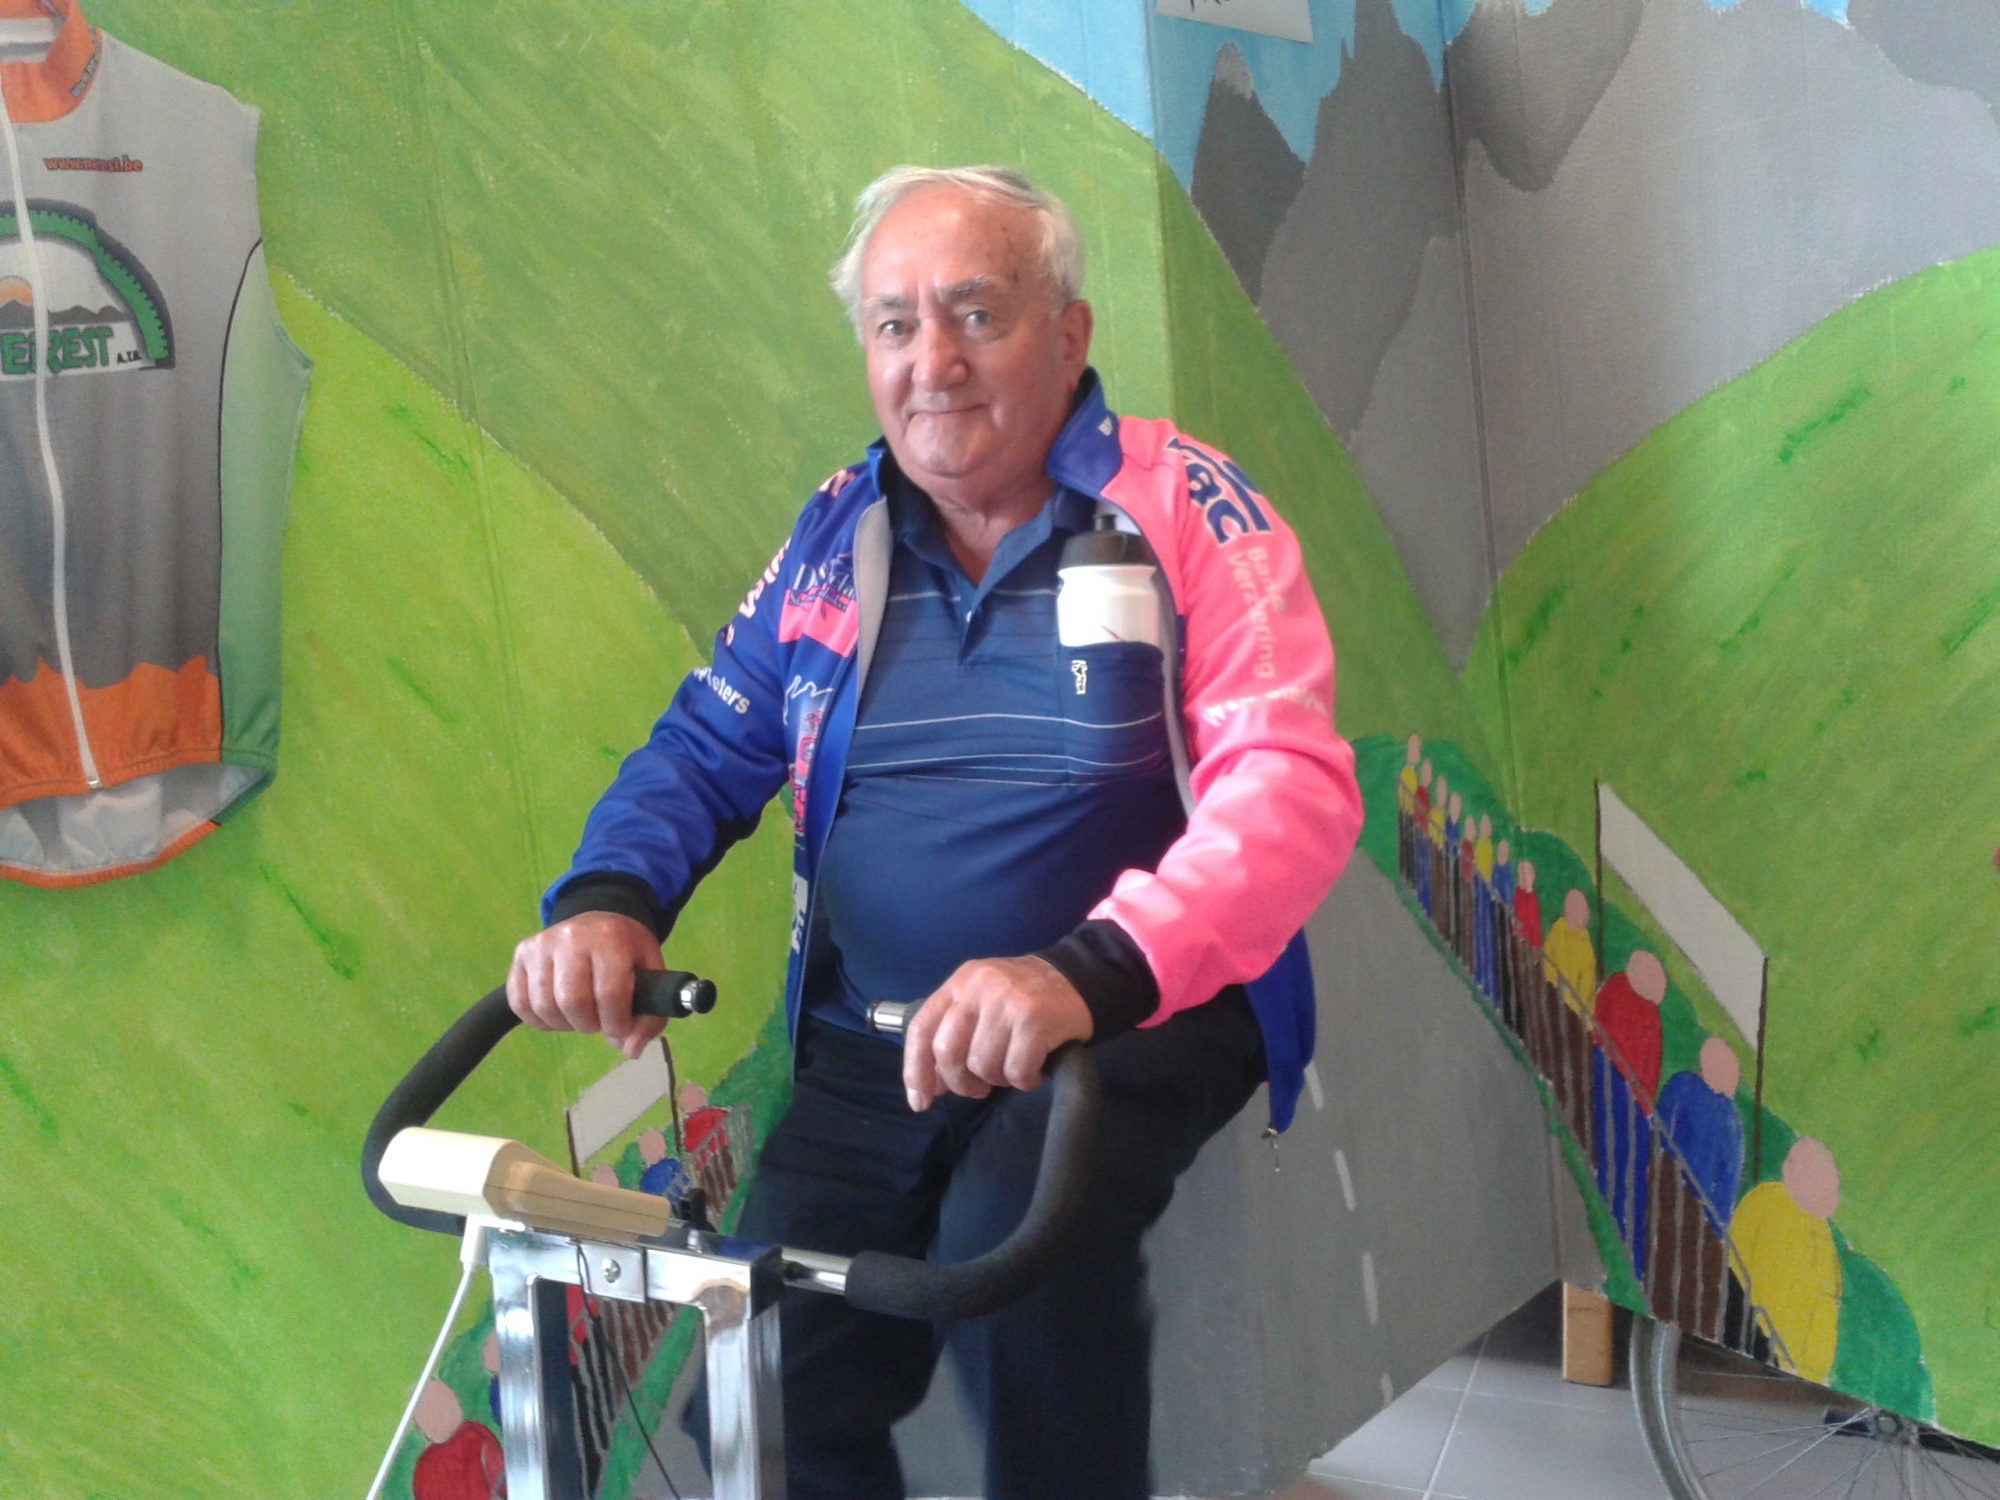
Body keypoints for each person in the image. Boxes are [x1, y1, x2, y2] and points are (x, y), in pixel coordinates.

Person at [504, 165, 1362, 1499]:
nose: (933, 363)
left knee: (1014, 1260)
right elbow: (707, 742)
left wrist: (1080, 972)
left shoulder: (1183, 507)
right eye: (895, 325)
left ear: (1068, 335)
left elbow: (1288, 784)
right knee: (758, 1398)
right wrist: (608, 896)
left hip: (1133, 1007)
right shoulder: (833, 537)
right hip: (879, 1039)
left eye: (976, 314)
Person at [1729, 1137, 1843, 1385]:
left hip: (1796, 1365)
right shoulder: (1766, 1201)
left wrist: (1813, 1373)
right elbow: (1734, 1263)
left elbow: (1826, 1307)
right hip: (1755, 1338)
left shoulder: (1821, 1232)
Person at [1592, 950, 1667, 1273]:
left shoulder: (1649, 1011)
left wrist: (1646, 1106)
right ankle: (1614, 1225)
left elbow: (1651, 1063)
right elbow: (1598, 1028)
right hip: (1617, 1086)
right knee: (1616, 1154)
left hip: (1630, 1095)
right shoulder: (1618, 988)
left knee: (1626, 1162)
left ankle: (1627, 1240)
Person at [1655, 1036, 1744, 1231]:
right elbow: (1728, 1182)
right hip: (1685, 1197)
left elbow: (1660, 1130)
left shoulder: (1683, 1085)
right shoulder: (1730, 1117)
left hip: (1674, 1188)